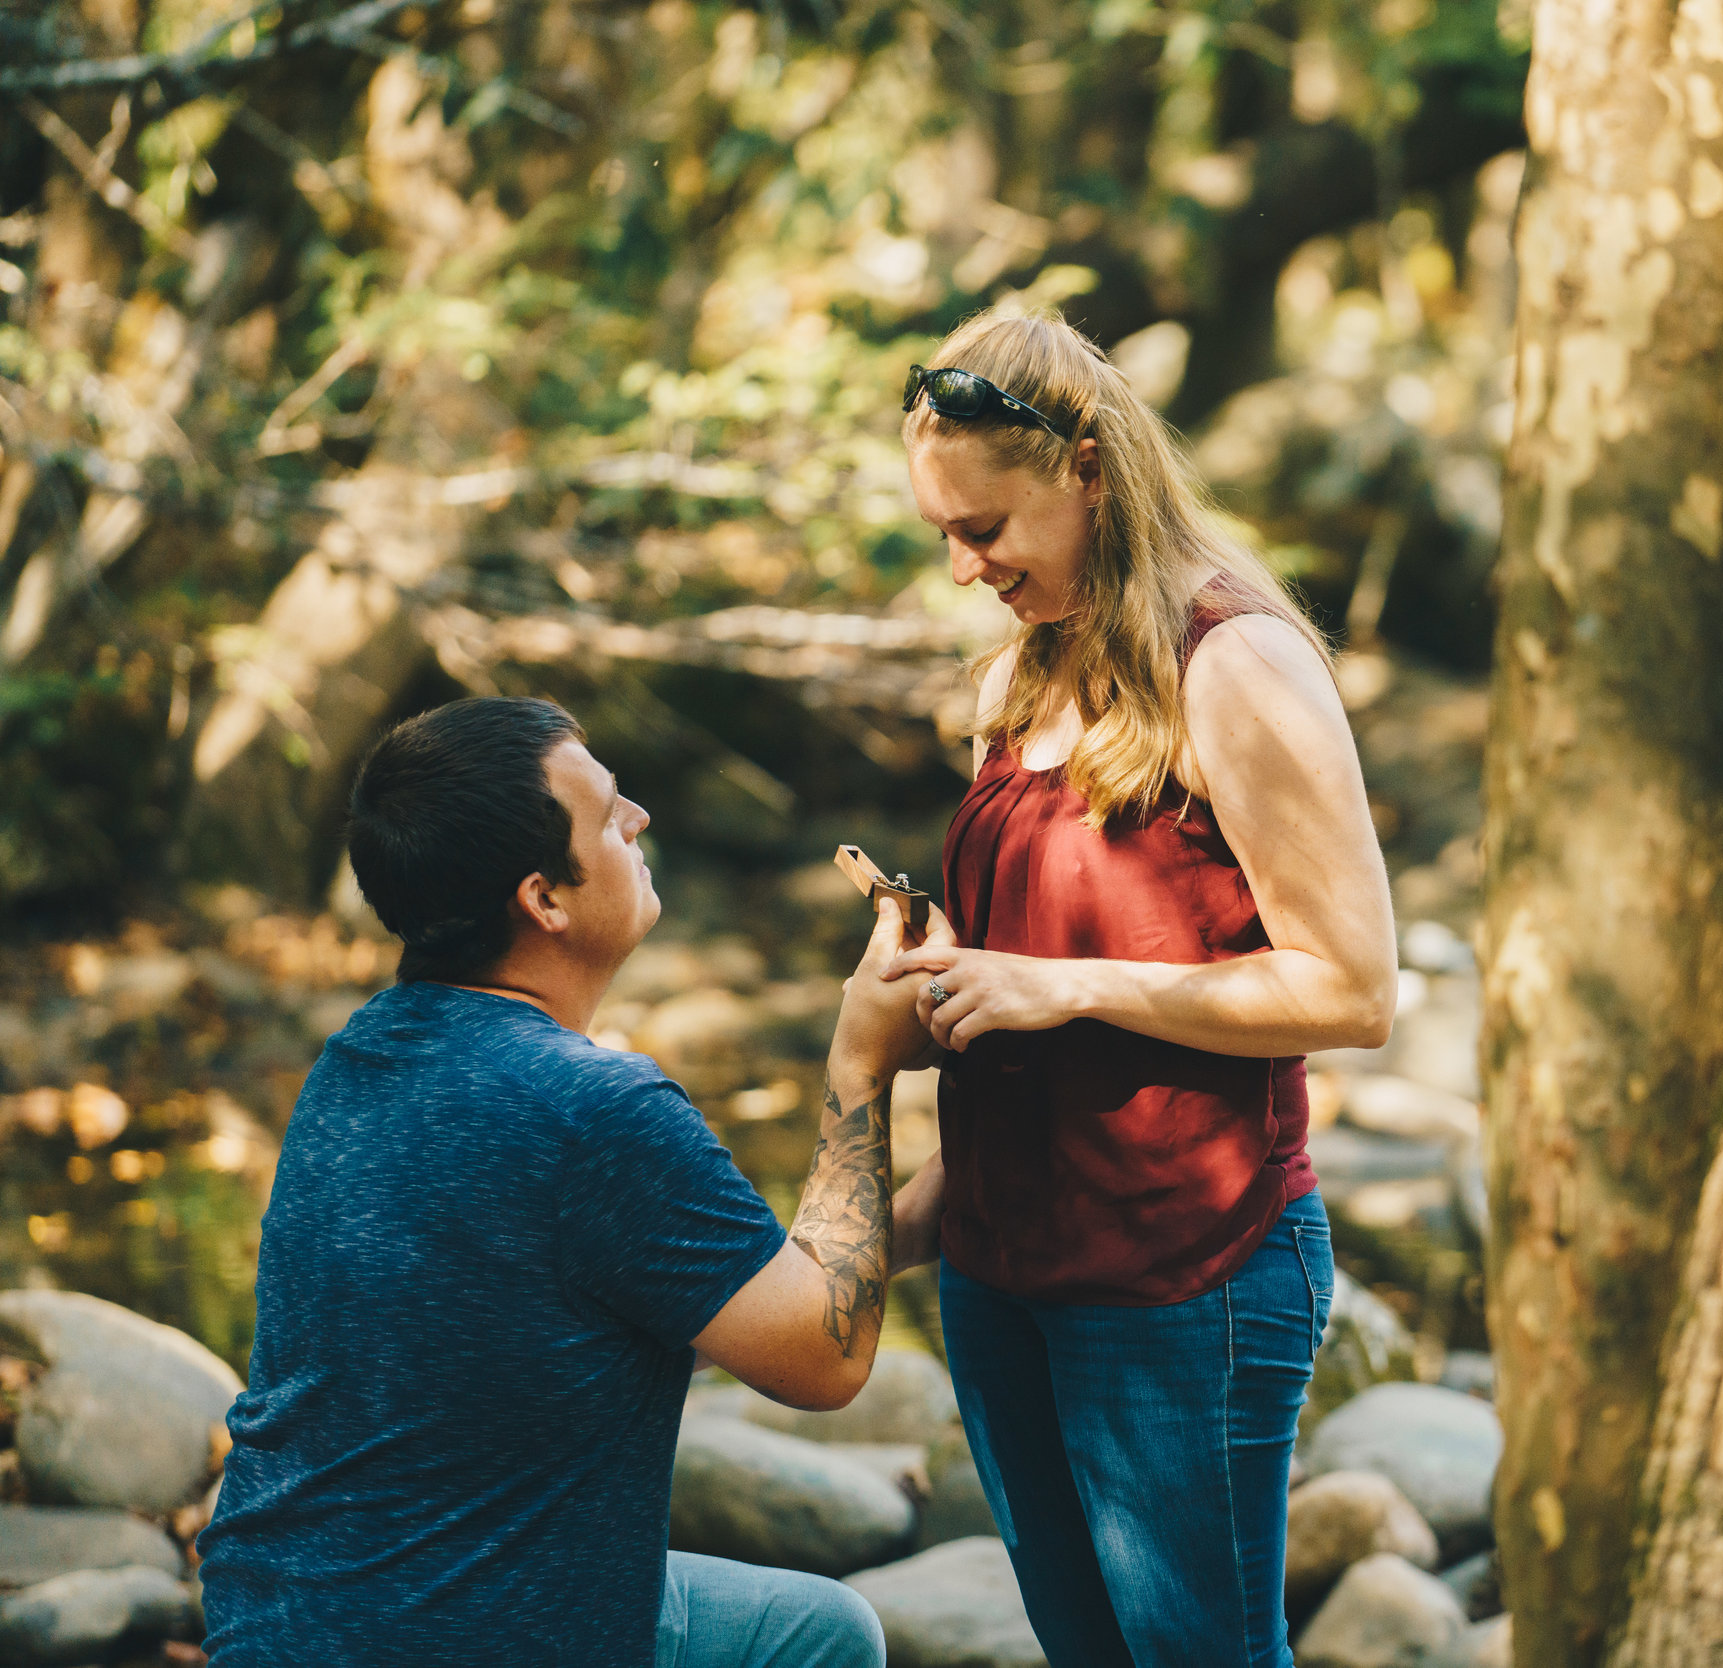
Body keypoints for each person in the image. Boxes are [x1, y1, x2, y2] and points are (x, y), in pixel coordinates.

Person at [197, 696, 928, 1668]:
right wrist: (861, 1067)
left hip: (283, 1624)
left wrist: (916, 1222)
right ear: (544, 898)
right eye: (609, 812)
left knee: (817, 1633)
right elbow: (821, 1364)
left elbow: (571, 1330)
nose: (641, 821)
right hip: (458, 1635)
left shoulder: (361, 1054)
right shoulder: (593, 1110)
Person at [878, 311, 1400, 1668]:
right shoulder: (1019, 668)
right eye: (945, 531)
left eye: (986, 527)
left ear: (1089, 468)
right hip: (1002, 1274)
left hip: (1187, 1278)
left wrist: (1064, 986)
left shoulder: (1236, 663)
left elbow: (1351, 991)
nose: (963, 565)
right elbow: (1033, 957)